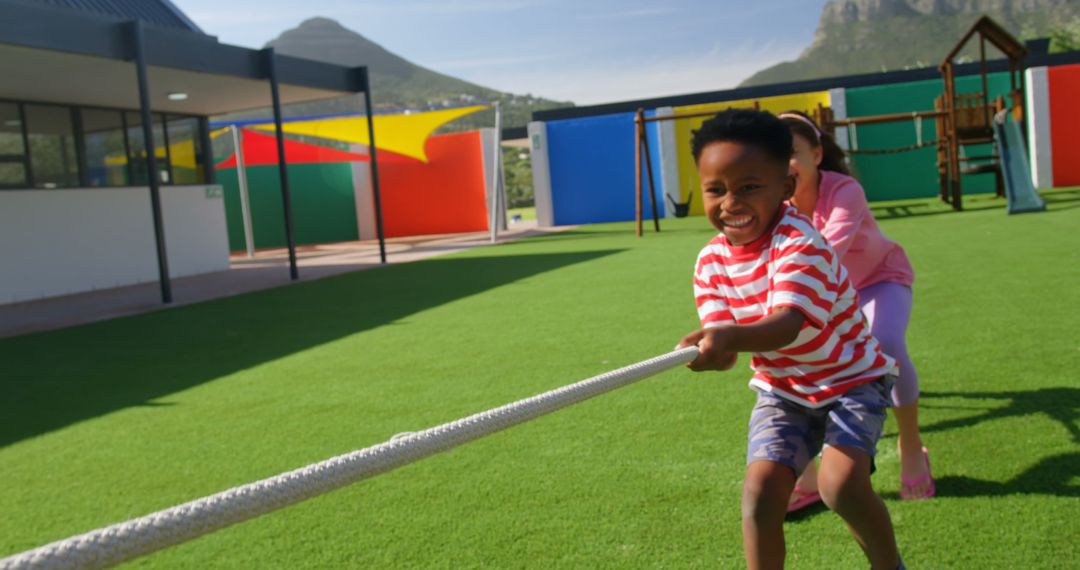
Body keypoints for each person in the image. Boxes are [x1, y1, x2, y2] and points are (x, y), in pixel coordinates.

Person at [676, 109, 904, 570]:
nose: (731, 203)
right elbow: (728, 354)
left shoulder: (800, 242)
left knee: (840, 486)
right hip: (783, 391)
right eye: (715, 189)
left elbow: (787, 324)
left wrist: (725, 337)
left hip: (851, 381)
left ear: (785, 186)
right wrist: (709, 349)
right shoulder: (710, 262)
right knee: (759, 495)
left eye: (749, 187)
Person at [779, 111, 933, 510]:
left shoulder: (845, 190)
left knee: (886, 343)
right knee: (794, 357)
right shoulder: (777, 206)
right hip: (828, 293)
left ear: (816, 153)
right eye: (776, 155)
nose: (785, 164)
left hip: (879, 279)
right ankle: (809, 474)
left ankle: (912, 446)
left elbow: (829, 252)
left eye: (792, 153)